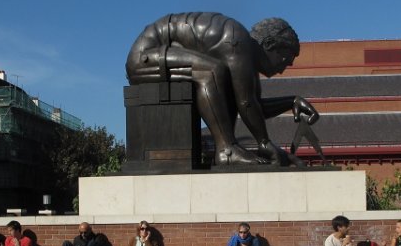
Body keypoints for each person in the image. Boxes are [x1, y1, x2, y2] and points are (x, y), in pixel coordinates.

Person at [126, 12, 320, 166]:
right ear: (269, 44)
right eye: (285, 59)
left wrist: (291, 101)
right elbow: (246, 104)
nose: (283, 68)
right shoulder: (238, 41)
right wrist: (264, 143)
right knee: (211, 71)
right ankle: (227, 150)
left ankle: (228, 148)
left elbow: (253, 105)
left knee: (218, 75)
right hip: (144, 57)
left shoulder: (244, 55)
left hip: (162, 54)